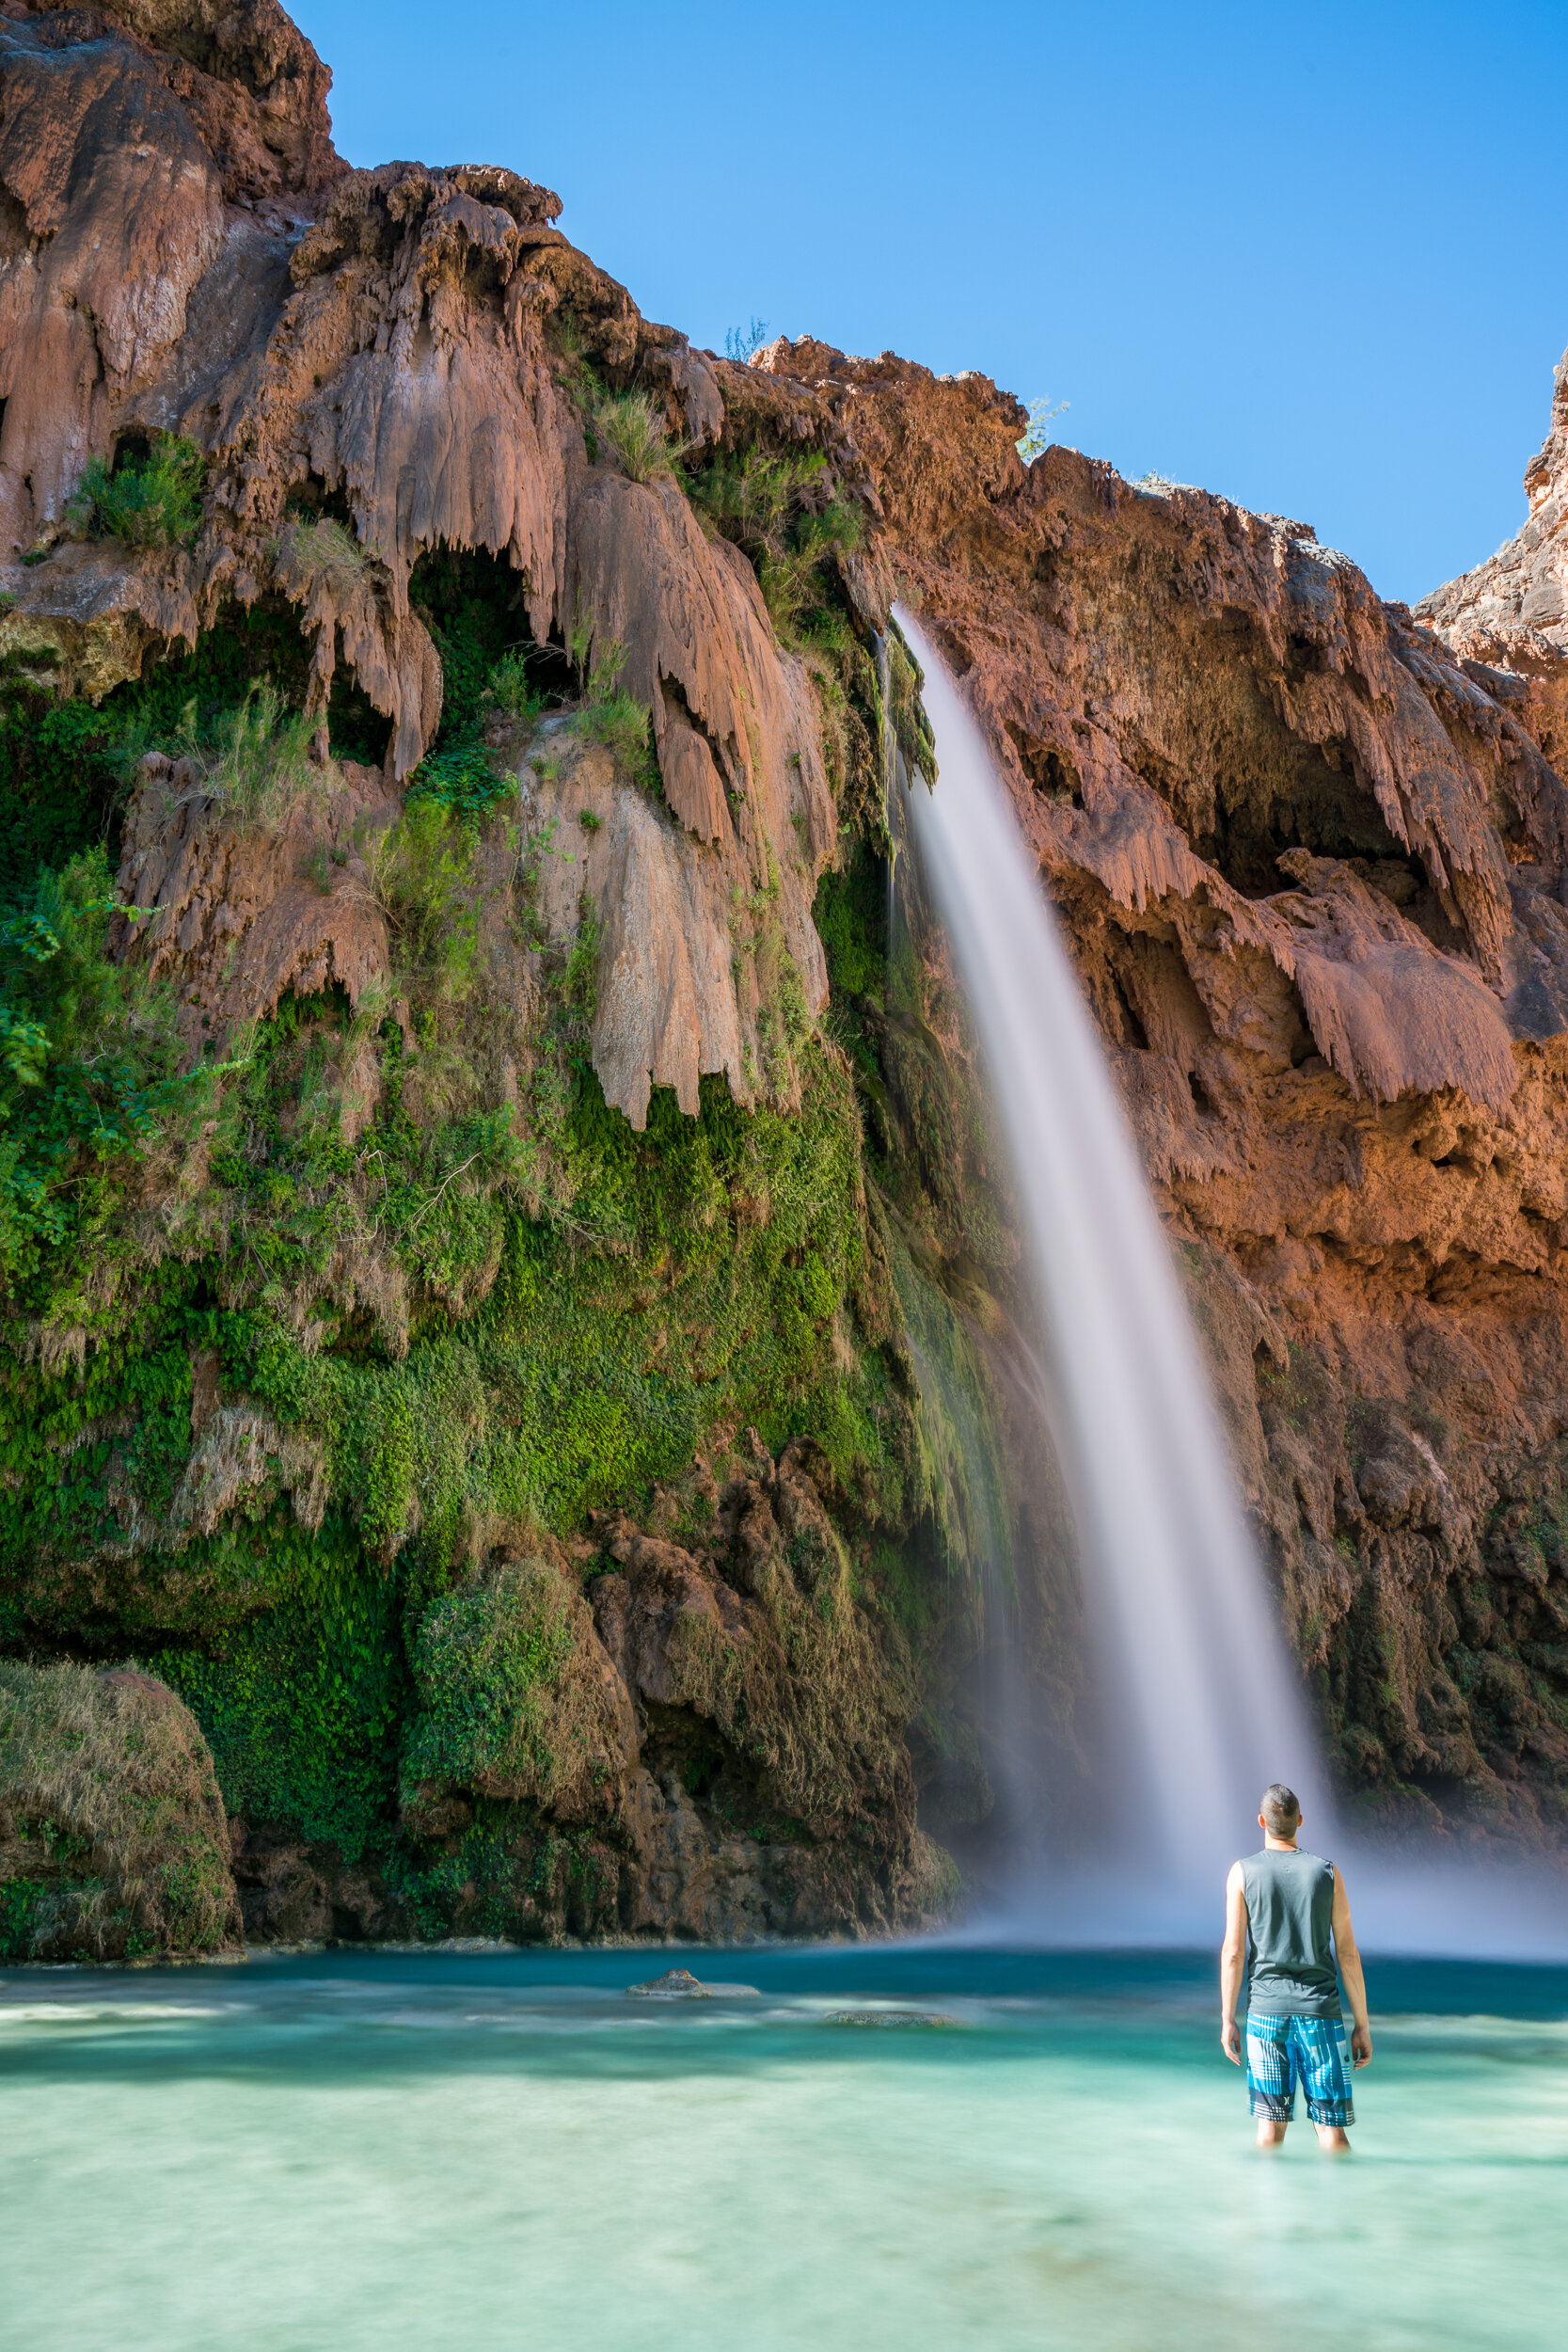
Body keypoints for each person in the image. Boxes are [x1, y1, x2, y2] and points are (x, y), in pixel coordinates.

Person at [1220, 1782, 1372, 2153]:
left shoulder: (1242, 1873)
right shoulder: (1328, 1874)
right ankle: (1341, 2204)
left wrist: (1227, 2018)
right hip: (1321, 2013)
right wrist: (1362, 2025)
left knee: (1269, 2132)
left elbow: (1234, 1953)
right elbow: (1348, 1954)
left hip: (1266, 2015)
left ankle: (1269, 2207)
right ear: (1300, 1821)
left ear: (1262, 1822)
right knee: (1331, 2131)